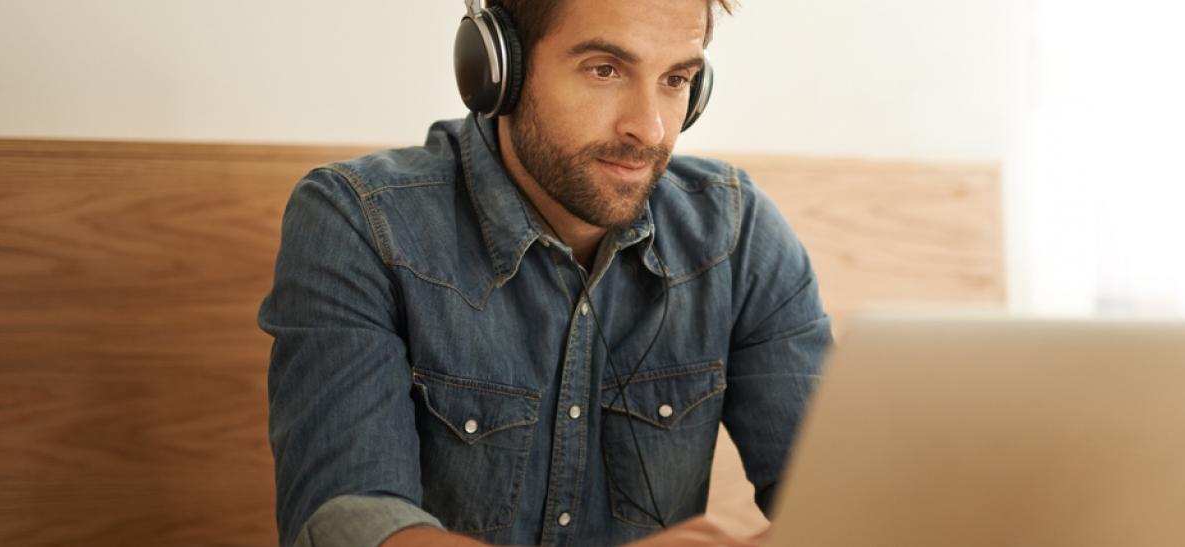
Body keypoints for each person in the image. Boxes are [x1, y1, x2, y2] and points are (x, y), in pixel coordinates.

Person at [258, 0, 831, 545]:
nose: (651, 130)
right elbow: (348, 521)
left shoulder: (737, 232)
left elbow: (842, 496)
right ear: (497, 69)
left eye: (676, 80)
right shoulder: (358, 220)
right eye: (604, 69)